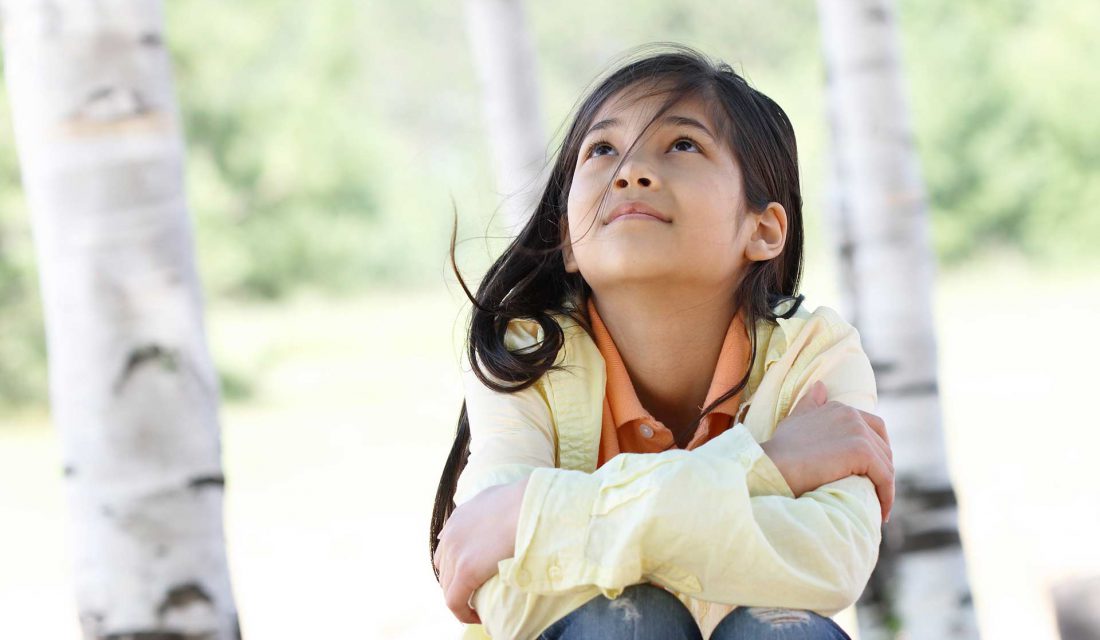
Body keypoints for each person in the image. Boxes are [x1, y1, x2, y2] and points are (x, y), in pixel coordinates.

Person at [430, 43, 895, 640]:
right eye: (602, 149)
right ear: (569, 240)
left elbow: (830, 566)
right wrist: (762, 466)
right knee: (631, 623)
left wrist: (531, 514)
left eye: (682, 144)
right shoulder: (525, 353)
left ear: (763, 229)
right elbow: (508, 597)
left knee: (784, 632)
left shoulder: (816, 354)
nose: (629, 171)